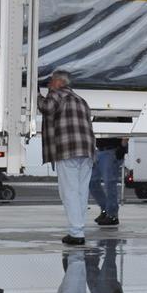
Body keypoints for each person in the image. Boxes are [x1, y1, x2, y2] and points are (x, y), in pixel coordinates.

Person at [38, 70, 97, 245]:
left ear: (58, 82)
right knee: (81, 192)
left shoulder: (57, 95)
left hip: (67, 149)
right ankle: (78, 229)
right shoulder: (81, 100)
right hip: (86, 150)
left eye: (50, 82)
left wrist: (36, 95)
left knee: (69, 192)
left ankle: (76, 233)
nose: (48, 85)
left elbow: (46, 108)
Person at [90, 132, 126, 227]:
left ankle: (112, 215)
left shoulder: (121, 116)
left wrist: (122, 149)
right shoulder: (98, 116)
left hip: (111, 151)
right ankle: (106, 209)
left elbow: (127, 130)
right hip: (99, 151)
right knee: (91, 182)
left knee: (109, 183)